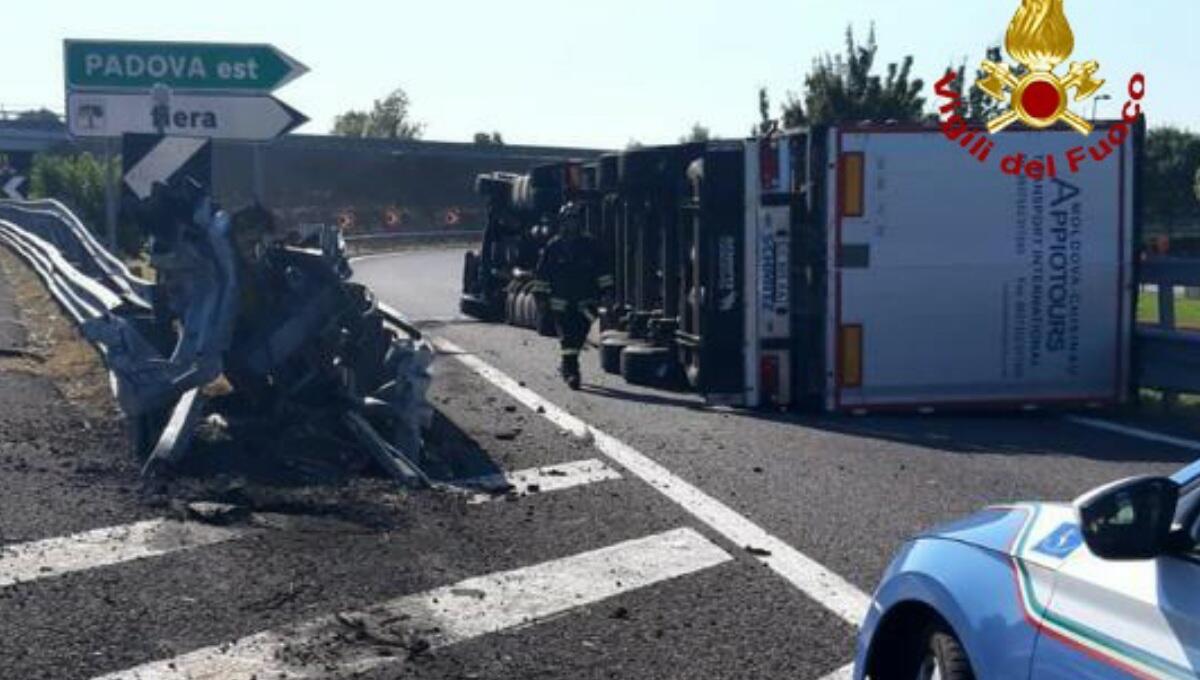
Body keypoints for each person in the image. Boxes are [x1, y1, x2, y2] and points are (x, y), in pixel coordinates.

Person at [532, 202, 613, 389]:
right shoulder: (554, 247)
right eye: (568, 220)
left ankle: (567, 364)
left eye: (574, 220)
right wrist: (541, 299)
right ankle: (572, 372)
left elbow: (602, 272)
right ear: (562, 222)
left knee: (579, 335)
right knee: (568, 338)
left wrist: (607, 293)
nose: (571, 224)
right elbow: (542, 275)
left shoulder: (590, 245)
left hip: (587, 303)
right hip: (561, 303)